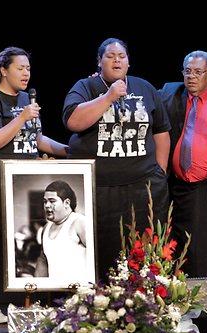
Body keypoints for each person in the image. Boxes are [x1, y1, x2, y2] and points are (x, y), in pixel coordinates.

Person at [0, 46, 69, 306]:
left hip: (23, 182)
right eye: (20, 68)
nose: (26, 73)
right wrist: (22, 118)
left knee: (24, 244)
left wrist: (68, 150)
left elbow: (37, 139)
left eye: (28, 68)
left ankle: (28, 300)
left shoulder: (25, 102)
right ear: (3, 71)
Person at [63, 38, 170, 278]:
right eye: (110, 56)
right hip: (100, 190)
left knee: (145, 252)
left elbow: (162, 132)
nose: (117, 60)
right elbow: (73, 121)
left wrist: (160, 172)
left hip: (143, 188)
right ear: (99, 62)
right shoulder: (86, 86)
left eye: (122, 56)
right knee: (103, 254)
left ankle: (145, 303)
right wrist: (108, 97)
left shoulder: (144, 87)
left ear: (129, 62)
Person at [159, 50, 207, 277]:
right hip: (175, 187)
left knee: (203, 254)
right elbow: (140, 97)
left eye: (198, 72)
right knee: (175, 250)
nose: (191, 76)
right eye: (187, 71)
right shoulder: (170, 93)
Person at [34, 180, 91, 283]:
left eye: (52, 201)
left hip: (80, 294)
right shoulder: (46, 228)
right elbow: (43, 260)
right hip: (55, 294)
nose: (47, 205)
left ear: (66, 203)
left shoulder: (79, 222)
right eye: (45, 201)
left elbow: (96, 257)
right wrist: (37, 287)